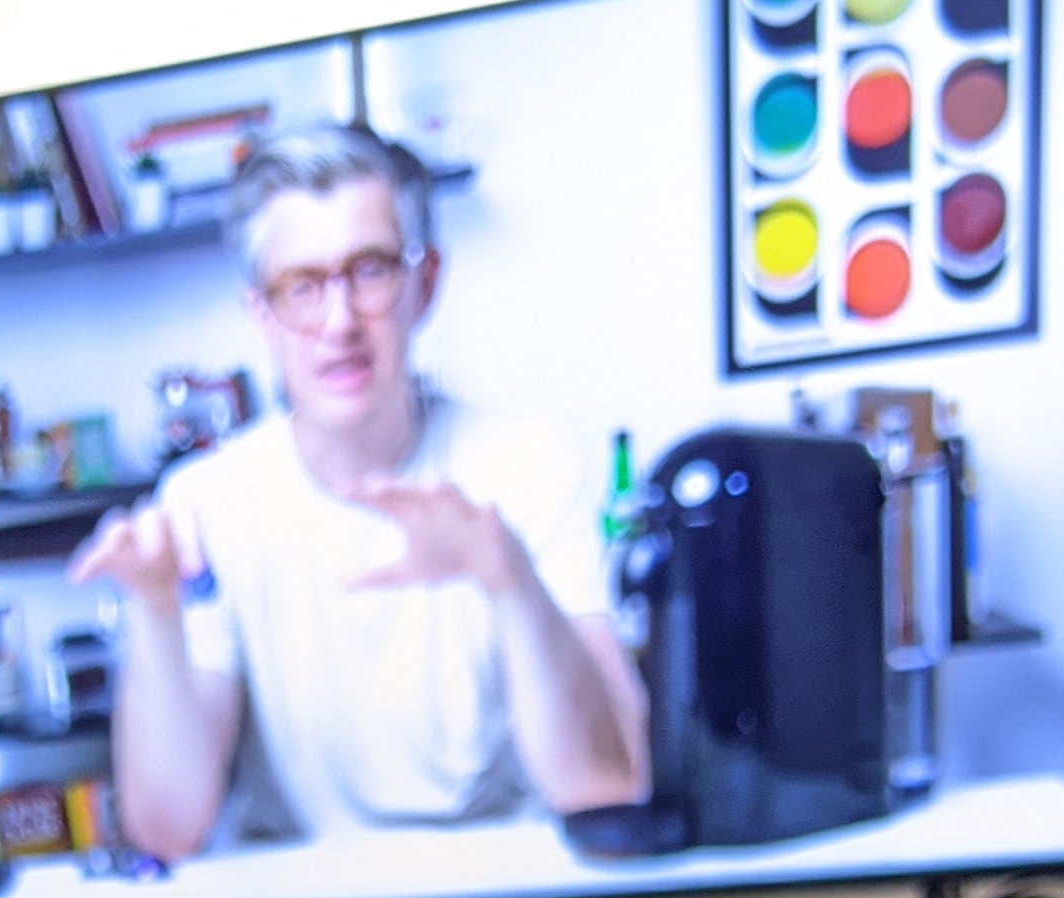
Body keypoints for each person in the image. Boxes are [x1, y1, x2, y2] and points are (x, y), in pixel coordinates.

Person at [71, 126, 649, 858]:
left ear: (425, 283)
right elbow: (167, 829)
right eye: (301, 287)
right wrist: (154, 611)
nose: (339, 323)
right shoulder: (206, 503)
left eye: (370, 272)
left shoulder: (528, 465)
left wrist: (508, 578)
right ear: (262, 315)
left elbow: (607, 784)